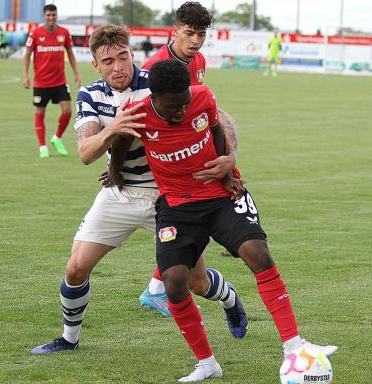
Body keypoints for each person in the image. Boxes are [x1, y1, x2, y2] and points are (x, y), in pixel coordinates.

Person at [30, 24, 247, 355]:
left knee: (196, 282)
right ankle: (68, 339)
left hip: (168, 197)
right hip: (119, 193)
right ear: (96, 65)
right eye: (107, 61)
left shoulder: (155, 83)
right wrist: (112, 129)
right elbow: (86, 153)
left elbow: (218, 115)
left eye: (123, 57)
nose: (117, 67)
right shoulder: (91, 95)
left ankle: (229, 298)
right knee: (75, 268)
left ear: (133, 54)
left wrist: (229, 159)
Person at [129, 59, 338, 382]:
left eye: (185, 103)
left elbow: (216, 131)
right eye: (175, 107)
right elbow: (117, 144)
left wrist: (227, 169)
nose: (183, 112)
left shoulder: (203, 97)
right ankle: (207, 364)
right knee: (174, 281)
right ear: (155, 98)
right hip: (177, 206)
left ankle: (294, 344)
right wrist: (115, 174)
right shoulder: (139, 114)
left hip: (219, 196)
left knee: (258, 254)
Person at [134, 1, 239, 310]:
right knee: (192, 225)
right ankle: (158, 288)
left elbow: (202, 112)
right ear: (175, 30)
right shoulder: (152, 68)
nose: (195, 41)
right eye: (190, 33)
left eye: (202, 34)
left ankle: (157, 287)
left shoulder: (200, 61)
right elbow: (139, 119)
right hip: (167, 162)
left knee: (197, 224)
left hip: (195, 155)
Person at [22, 4, 81, 158]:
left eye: (53, 15)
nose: (51, 18)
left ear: (57, 15)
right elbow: (27, 54)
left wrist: (76, 73)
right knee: (40, 112)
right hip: (41, 82)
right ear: (44, 16)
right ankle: (42, 146)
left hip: (60, 81)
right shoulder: (35, 33)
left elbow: (70, 53)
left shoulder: (64, 33)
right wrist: (25, 76)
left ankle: (57, 138)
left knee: (68, 110)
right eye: (48, 15)